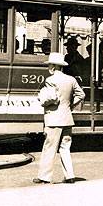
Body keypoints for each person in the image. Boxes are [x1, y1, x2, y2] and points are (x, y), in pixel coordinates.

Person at [33, 52, 85, 184]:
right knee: (65, 148)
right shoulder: (71, 80)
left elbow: (49, 98)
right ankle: (70, 176)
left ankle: (44, 176)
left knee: (49, 147)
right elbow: (81, 94)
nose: (48, 67)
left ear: (53, 67)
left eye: (49, 65)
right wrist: (70, 105)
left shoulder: (50, 81)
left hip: (53, 119)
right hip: (67, 118)